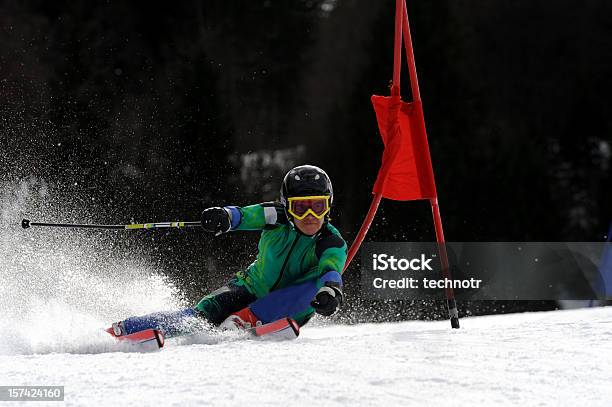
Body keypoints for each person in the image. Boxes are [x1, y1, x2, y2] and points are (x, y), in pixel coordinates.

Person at [107, 165, 347, 339]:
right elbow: (243, 216)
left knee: (316, 284)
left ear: (328, 206)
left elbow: (331, 269)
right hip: (250, 286)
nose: (310, 216)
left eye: (318, 206)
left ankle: (248, 319)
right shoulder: (276, 216)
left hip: (287, 305)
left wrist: (331, 291)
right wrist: (224, 216)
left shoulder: (330, 240)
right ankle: (124, 329)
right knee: (198, 317)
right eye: (300, 207)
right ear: (287, 206)